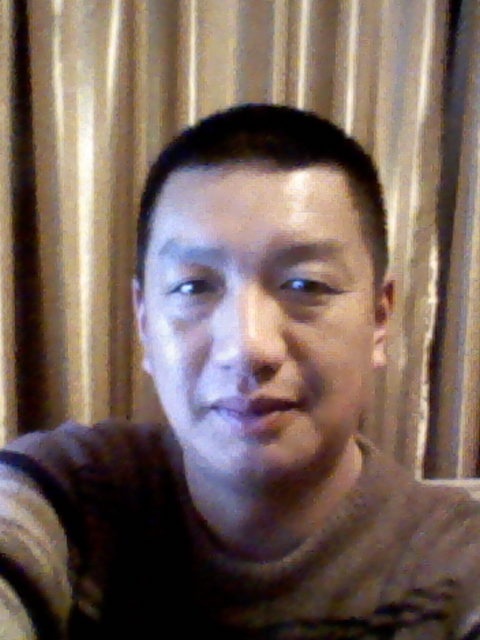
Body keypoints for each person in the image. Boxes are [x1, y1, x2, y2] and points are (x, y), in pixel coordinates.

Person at [0, 103, 479, 640]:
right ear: (145, 324)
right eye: (194, 287)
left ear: (379, 320)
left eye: (306, 285)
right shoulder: (68, 498)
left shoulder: (457, 567)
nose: (249, 347)